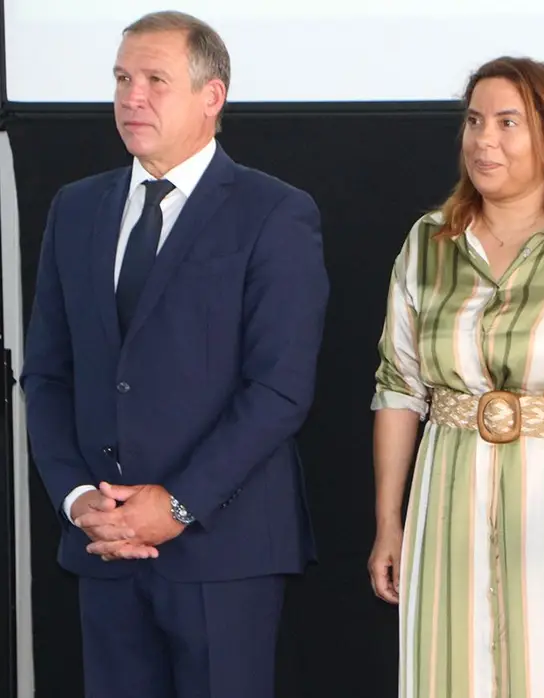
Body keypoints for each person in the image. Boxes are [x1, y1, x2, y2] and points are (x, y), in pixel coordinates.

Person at [20, 10, 329, 698]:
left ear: (211, 97)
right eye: (123, 79)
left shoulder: (274, 213)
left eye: (155, 80)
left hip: (225, 551)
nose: (132, 97)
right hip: (103, 545)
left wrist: (180, 504)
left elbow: (278, 389)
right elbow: (46, 374)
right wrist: (76, 499)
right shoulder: (75, 209)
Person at [366, 56, 544, 698]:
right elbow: (399, 386)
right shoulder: (428, 242)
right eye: (473, 122)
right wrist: (390, 523)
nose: (482, 140)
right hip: (447, 501)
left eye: (506, 123)